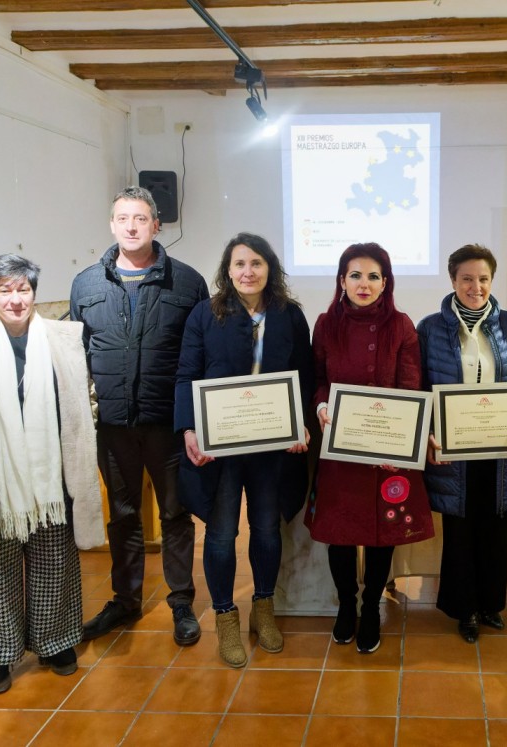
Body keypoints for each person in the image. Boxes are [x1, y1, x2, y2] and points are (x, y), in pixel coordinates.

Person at [0, 255, 105, 694]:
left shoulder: (63, 339)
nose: (15, 299)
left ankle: (55, 642)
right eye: (5, 290)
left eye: (23, 289)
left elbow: (86, 397)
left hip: (51, 474)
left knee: (55, 563)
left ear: (34, 292)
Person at [70, 186, 209, 646]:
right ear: (112, 224)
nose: (132, 226)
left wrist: (196, 422)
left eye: (141, 218)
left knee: (175, 513)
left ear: (156, 225)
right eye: (123, 218)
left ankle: (182, 603)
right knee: (123, 515)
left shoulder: (187, 283)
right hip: (111, 426)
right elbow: (76, 357)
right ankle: (125, 600)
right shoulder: (86, 284)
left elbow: (198, 357)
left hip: (168, 425)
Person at [174, 233, 314, 667]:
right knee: (220, 536)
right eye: (239, 264)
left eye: (256, 263)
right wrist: (189, 428)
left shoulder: (290, 316)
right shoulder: (205, 314)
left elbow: (304, 376)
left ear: (269, 268)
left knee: (268, 531)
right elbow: (186, 374)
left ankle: (264, 610)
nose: (248, 272)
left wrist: (301, 424)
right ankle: (225, 617)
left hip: (273, 447)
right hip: (223, 447)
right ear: (227, 270)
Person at [306, 242, 434, 654]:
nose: (364, 283)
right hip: (341, 447)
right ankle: (346, 604)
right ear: (342, 280)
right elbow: (319, 378)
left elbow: (411, 387)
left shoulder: (401, 326)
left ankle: (370, 605)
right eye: (355, 275)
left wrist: (398, 438)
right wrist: (323, 405)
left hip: (387, 449)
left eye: (374, 275)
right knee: (340, 534)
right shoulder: (326, 324)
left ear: (386, 282)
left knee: (382, 534)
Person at [417, 244, 507, 643]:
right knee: (460, 528)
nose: (475, 286)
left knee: (495, 526)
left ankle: (489, 605)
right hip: (454, 451)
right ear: (452, 280)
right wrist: (427, 432)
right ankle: (463, 609)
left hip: (501, 451)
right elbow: (419, 386)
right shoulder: (430, 328)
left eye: (483, 279)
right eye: (467, 278)